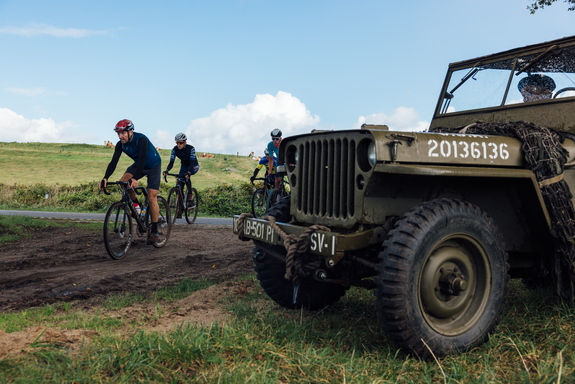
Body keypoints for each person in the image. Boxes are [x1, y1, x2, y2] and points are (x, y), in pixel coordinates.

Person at [98, 119, 162, 245]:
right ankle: (138, 207)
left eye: (123, 133)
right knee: (123, 182)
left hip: (153, 166)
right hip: (139, 165)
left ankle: (154, 231)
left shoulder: (141, 140)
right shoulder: (120, 145)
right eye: (118, 133)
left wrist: (135, 178)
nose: (120, 136)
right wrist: (105, 177)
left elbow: (143, 159)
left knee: (151, 197)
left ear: (130, 132)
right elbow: (114, 162)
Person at [162, 133, 199, 217]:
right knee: (179, 184)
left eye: (181, 143)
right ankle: (180, 208)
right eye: (177, 143)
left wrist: (189, 172)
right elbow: (171, 162)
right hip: (184, 166)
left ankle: (190, 194)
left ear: (185, 142)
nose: (179, 145)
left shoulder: (191, 149)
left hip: (193, 166)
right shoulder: (174, 150)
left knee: (186, 176)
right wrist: (167, 170)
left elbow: (192, 162)